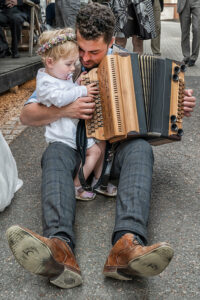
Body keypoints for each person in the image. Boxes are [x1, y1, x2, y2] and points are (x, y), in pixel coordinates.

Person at [6, 2, 196, 290]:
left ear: (110, 42)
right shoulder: (66, 62)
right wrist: (65, 110)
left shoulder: (127, 62)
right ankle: (59, 248)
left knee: (142, 149)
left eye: (93, 52)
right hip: (74, 152)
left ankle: (127, 245)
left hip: (115, 154)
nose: (84, 57)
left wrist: (176, 100)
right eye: (81, 49)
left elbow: (158, 119)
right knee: (54, 153)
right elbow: (26, 114)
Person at [36, 27, 116, 201]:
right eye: (69, 64)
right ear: (49, 62)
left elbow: (67, 89)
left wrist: (77, 84)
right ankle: (77, 185)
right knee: (94, 152)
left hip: (74, 128)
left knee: (100, 141)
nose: (73, 68)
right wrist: (81, 90)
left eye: (74, 63)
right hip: (64, 135)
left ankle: (99, 180)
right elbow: (60, 98)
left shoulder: (59, 75)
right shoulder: (45, 84)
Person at [177, 0, 200, 67]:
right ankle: (186, 56)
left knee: (196, 29)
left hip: (197, 2)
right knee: (184, 31)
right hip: (184, 2)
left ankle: (194, 57)